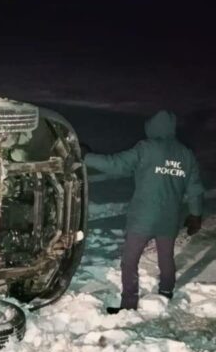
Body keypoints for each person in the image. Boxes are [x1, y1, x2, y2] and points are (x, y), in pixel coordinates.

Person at [85, 110, 204, 313]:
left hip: (143, 218)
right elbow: (195, 188)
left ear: (152, 127)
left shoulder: (146, 148)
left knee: (129, 261)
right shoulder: (186, 154)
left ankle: (129, 303)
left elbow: (115, 163)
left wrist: (86, 157)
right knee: (166, 258)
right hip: (169, 218)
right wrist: (196, 214)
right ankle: (166, 293)